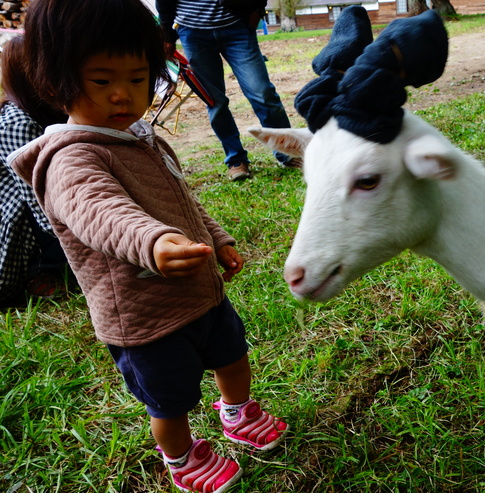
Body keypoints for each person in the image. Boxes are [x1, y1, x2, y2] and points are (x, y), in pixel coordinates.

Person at [11, 1, 289, 492]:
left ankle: (238, 411)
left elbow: (183, 198)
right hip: (145, 318)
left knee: (232, 354)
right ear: (56, 80)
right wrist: (154, 241)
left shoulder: (143, 138)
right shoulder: (70, 158)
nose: (123, 94)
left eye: (138, 79)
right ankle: (181, 457)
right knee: (169, 399)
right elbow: (101, 214)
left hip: (201, 293)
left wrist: (217, 238)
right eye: (102, 81)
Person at [156, 0, 301, 182]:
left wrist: (257, 10)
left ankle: (288, 153)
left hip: (236, 27)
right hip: (193, 34)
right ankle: (235, 159)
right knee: (214, 101)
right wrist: (167, 37)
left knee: (262, 93)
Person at [0, 36, 70, 307]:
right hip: (18, 219)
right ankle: (43, 271)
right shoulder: (18, 123)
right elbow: (38, 201)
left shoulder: (43, 110)